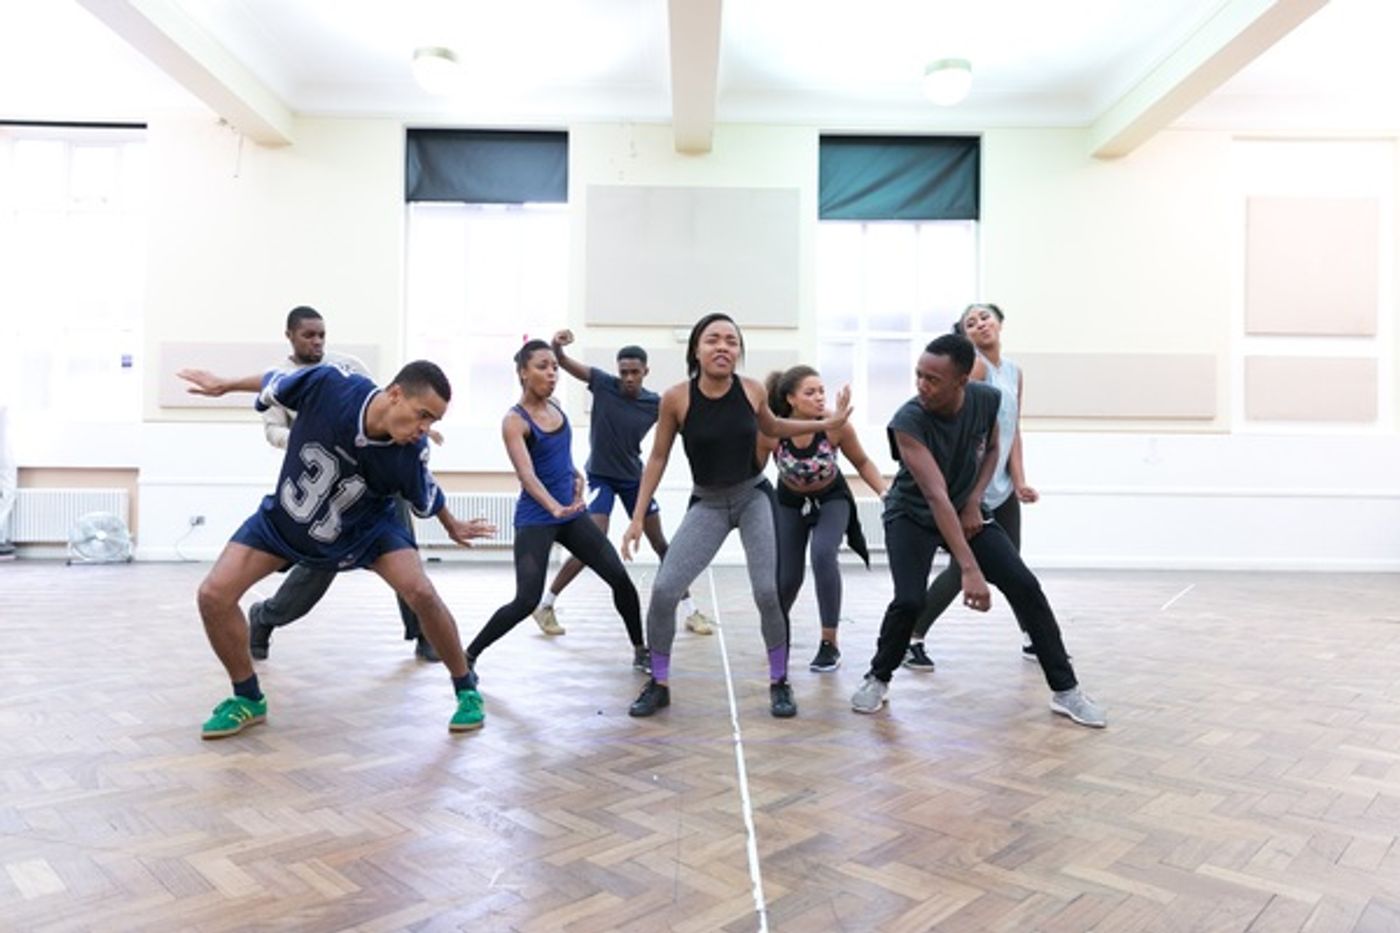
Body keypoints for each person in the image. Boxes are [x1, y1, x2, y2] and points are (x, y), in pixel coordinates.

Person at [178, 360, 496, 738]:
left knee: (421, 592)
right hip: (288, 520)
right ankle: (247, 698)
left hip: (367, 531)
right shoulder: (329, 385)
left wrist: (452, 523)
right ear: (395, 394)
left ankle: (466, 689)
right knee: (213, 595)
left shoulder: (410, 451)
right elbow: (273, 380)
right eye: (423, 415)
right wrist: (225, 384)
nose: (425, 428)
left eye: (434, 421)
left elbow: (427, 491)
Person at [849, 334, 1105, 728]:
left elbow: (994, 448)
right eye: (919, 375)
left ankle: (1066, 690)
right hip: (912, 514)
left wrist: (973, 500)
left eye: (933, 379)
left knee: (1025, 585)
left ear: (962, 381)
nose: (922, 385)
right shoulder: (907, 421)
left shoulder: (986, 399)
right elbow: (935, 496)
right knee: (910, 600)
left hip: (964, 506)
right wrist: (968, 568)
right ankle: (877, 677)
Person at [621, 312, 852, 719]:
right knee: (665, 590)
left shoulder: (751, 390)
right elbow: (657, 457)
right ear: (696, 349)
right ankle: (658, 683)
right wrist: (638, 516)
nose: (723, 347)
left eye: (731, 341)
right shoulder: (676, 398)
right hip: (707, 502)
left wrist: (829, 422)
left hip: (752, 497)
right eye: (713, 339)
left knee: (767, 592)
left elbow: (774, 426)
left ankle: (779, 682)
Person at [234, 306, 443, 662]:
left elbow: (383, 404)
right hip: (329, 490)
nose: (316, 342)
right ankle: (267, 616)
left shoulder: (346, 366)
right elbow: (273, 431)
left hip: (379, 477)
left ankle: (424, 631)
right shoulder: (283, 378)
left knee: (404, 552)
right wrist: (314, 433)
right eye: (308, 335)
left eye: (321, 335)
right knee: (317, 569)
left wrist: (417, 427)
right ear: (290, 336)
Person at [463, 340, 647, 709]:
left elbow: (559, 457)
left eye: (554, 367)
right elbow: (527, 475)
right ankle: (468, 656)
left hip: (571, 516)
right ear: (523, 372)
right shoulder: (515, 421)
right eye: (543, 366)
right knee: (526, 600)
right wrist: (553, 507)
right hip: (537, 519)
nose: (551, 373)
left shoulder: (557, 408)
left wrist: (576, 476)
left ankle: (640, 649)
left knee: (620, 579)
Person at [531, 330, 713, 638]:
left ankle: (691, 611)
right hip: (600, 477)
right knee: (592, 539)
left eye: (634, 372)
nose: (628, 378)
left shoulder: (655, 403)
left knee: (661, 544)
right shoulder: (603, 384)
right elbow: (565, 364)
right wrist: (557, 348)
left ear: (645, 372)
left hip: (633, 480)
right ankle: (546, 605)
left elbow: (689, 425)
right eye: (624, 372)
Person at [905, 303, 1041, 671]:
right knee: (962, 568)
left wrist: (1019, 480)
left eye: (985, 317)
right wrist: (971, 494)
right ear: (965, 336)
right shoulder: (975, 369)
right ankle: (911, 637)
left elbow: (1012, 430)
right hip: (974, 488)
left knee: (1013, 565)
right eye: (971, 322)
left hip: (1002, 486)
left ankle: (1032, 636)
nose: (980, 324)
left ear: (1000, 323)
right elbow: (971, 431)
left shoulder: (1013, 371)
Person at [758, 365, 886, 672]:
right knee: (787, 578)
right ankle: (778, 637)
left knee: (823, 554)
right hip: (790, 503)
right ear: (791, 399)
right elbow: (753, 472)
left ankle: (829, 644)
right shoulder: (772, 432)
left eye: (821, 392)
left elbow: (862, 462)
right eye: (810, 392)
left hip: (832, 498)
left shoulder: (835, 426)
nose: (819, 398)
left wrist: (885, 493)